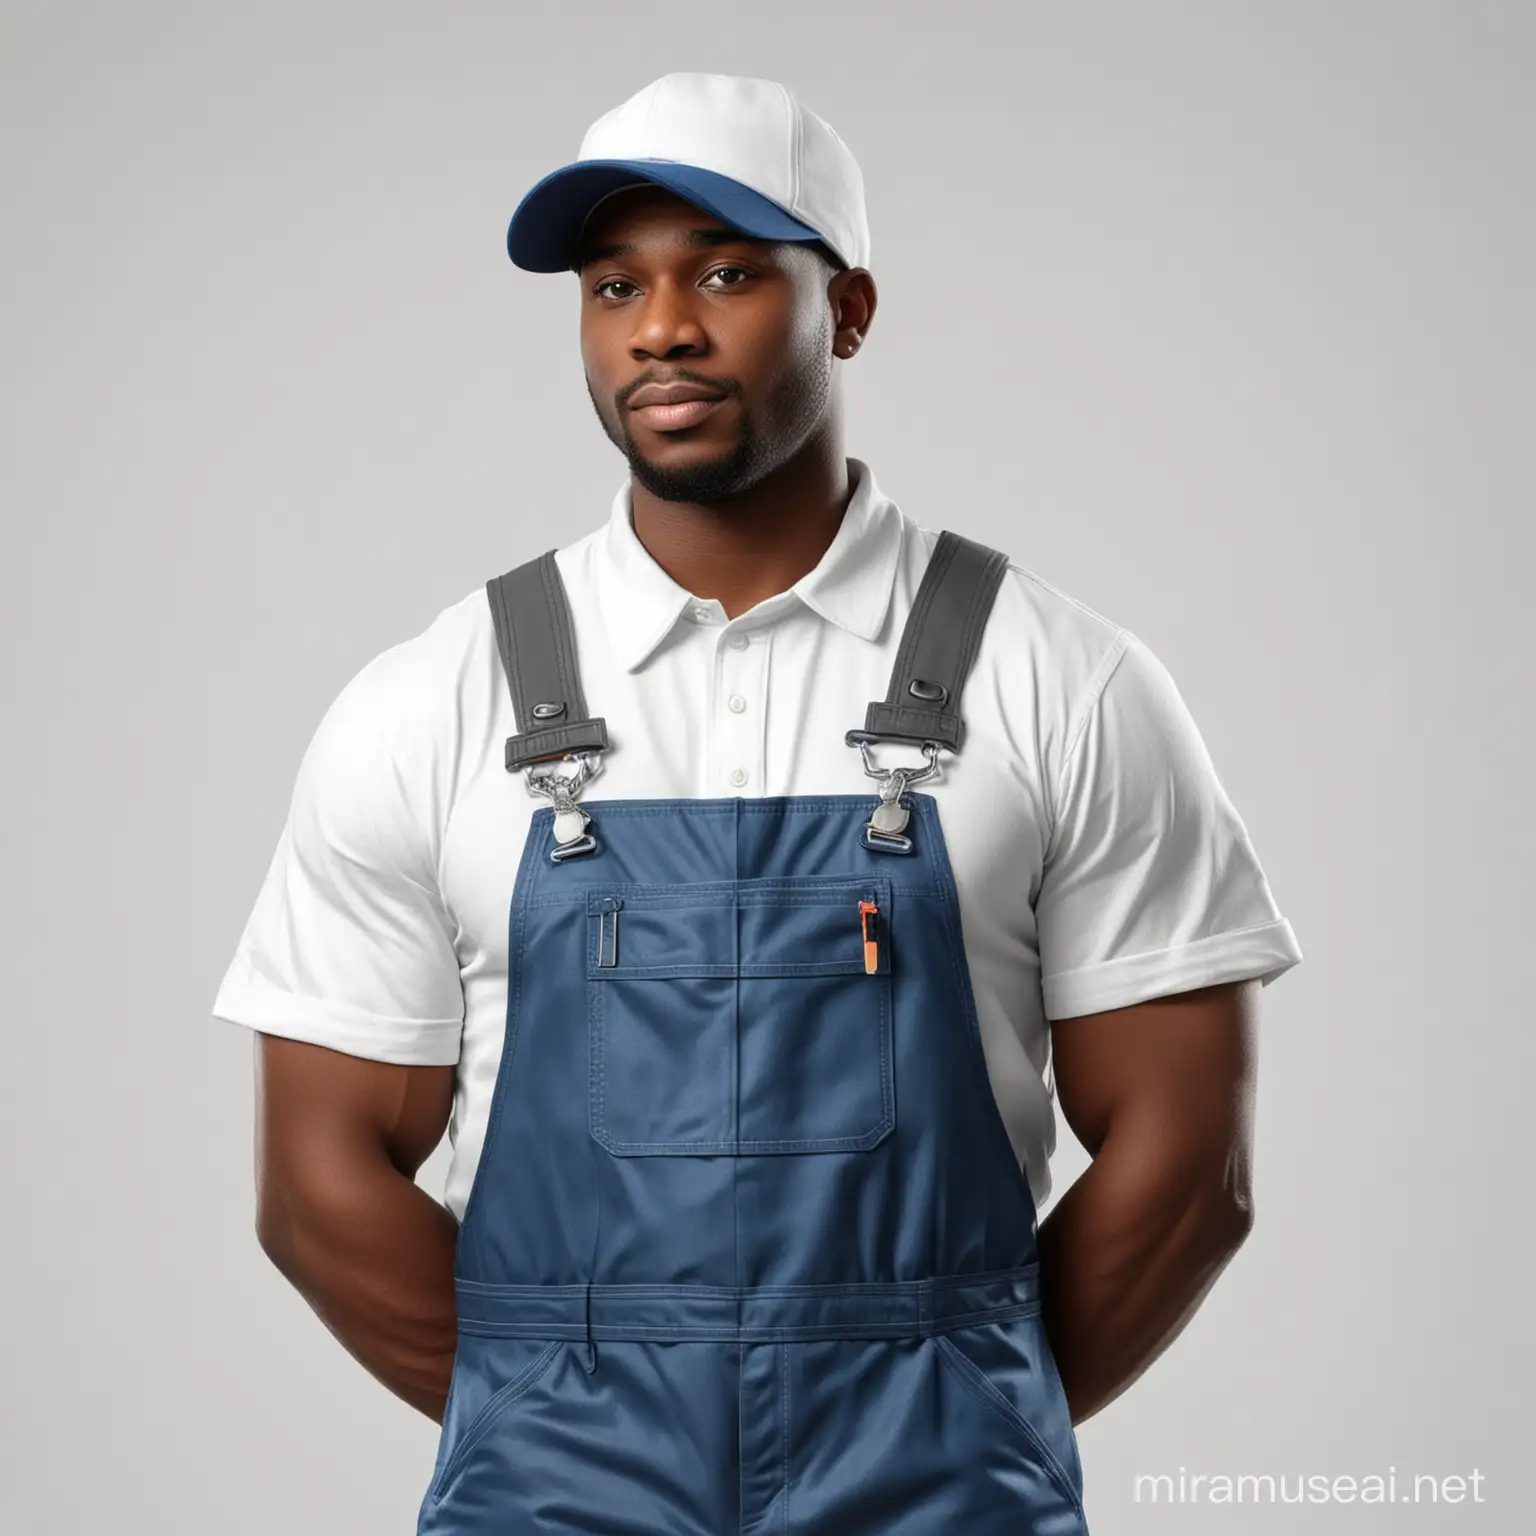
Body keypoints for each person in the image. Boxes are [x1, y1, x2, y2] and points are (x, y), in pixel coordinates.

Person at [213, 70, 1302, 1535]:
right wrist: (554, 1415)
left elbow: (1188, 1167)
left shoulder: (1067, 683)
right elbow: (317, 1180)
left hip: (943, 1496)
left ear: (847, 310)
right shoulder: (429, 702)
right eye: (614, 285)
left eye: (727, 273)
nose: (661, 325)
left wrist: (957, 1401)